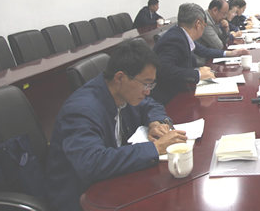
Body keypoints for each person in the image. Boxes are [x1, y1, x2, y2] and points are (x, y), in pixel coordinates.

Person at [45, 39, 187, 211]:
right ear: (120, 77)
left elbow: (151, 105)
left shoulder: (121, 92)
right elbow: (91, 163)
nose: (148, 91)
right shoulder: (81, 110)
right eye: (146, 84)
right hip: (83, 198)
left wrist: (155, 123)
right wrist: (155, 148)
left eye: (151, 85)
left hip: (112, 183)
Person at [150, 3, 249, 104]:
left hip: (181, 89)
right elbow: (163, 69)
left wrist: (229, 53)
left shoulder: (182, 33)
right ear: (198, 24)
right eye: (204, 25)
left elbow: (203, 51)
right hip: (169, 99)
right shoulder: (175, 39)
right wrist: (198, 74)